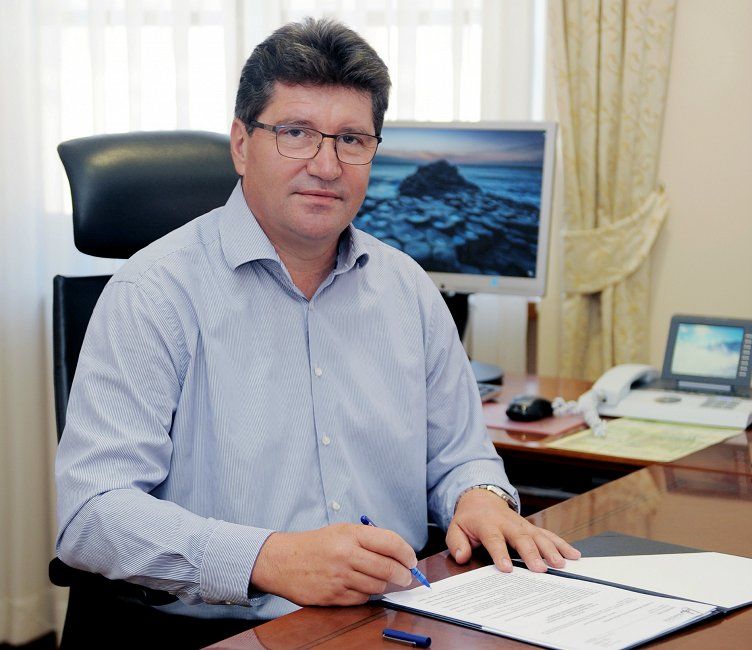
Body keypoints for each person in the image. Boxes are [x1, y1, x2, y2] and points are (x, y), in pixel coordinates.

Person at [56, 17, 579, 628]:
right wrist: (267, 558)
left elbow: (462, 456)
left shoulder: (408, 288)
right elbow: (92, 512)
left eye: (351, 140)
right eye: (296, 133)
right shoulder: (154, 293)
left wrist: (480, 498)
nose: (327, 166)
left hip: (394, 618)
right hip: (221, 633)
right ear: (240, 144)